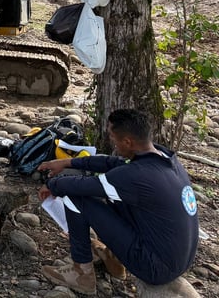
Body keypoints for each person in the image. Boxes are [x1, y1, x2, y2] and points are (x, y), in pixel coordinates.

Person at [37, 108, 199, 295]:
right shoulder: (163, 158)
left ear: (128, 142)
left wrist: (52, 184)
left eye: (113, 138)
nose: (112, 143)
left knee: (77, 197)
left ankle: (81, 274)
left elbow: (82, 186)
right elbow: (112, 163)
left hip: (156, 269)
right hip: (178, 260)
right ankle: (114, 256)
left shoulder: (136, 176)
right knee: (116, 197)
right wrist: (67, 162)